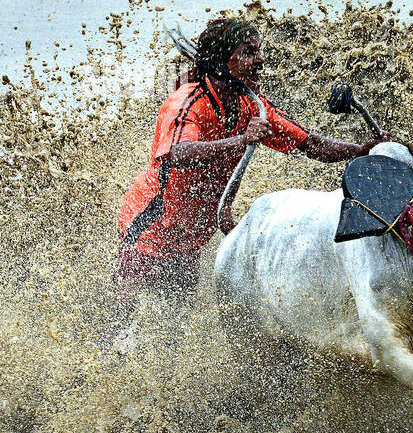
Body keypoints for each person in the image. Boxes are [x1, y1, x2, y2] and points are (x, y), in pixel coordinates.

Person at [115, 17, 374, 309]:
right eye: (249, 52)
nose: (261, 60)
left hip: (192, 237)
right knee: (123, 320)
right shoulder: (187, 102)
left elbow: (311, 145)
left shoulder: (252, 107)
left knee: (174, 326)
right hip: (151, 227)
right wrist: (242, 140)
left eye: (259, 50)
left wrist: (365, 150)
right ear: (221, 61)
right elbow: (179, 154)